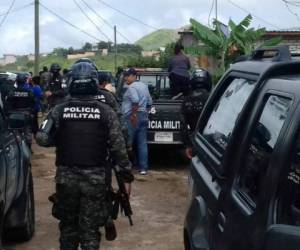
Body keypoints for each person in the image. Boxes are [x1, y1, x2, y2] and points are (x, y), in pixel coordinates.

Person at [36, 62, 133, 250]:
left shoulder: (59, 109)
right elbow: (119, 148)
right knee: (89, 230)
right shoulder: (106, 112)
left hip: (66, 179)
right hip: (96, 179)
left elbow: (42, 138)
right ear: (95, 82)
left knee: (68, 228)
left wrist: (63, 137)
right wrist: (126, 176)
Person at [122, 68, 152, 175]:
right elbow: (149, 102)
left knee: (128, 142)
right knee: (142, 143)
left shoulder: (132, 87)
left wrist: (134, 115)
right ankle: (143, 168)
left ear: (134, 76)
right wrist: (144, 113)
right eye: (125, 75)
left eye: (128, 75)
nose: (125, 78)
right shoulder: (144, 86)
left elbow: (135, 101)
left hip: (133, 117)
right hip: (143, 115)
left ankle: (127, 167)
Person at [181, 69, 212, 159]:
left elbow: (183, 125)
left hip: (195, 140)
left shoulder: (186, 101)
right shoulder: (212, 98)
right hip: (211, 141)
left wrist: (187, 145)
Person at [5, 73, 35, 148]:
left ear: (16, 82)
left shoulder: (12, 92)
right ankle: (29, 148)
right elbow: (33, 103)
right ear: (25, 82)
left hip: (15, 116)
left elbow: (7, 104)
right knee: (28, 132)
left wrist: (9, 114)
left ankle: (17, 148)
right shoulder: (29, 92)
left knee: (15, 133)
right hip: (26, 115)